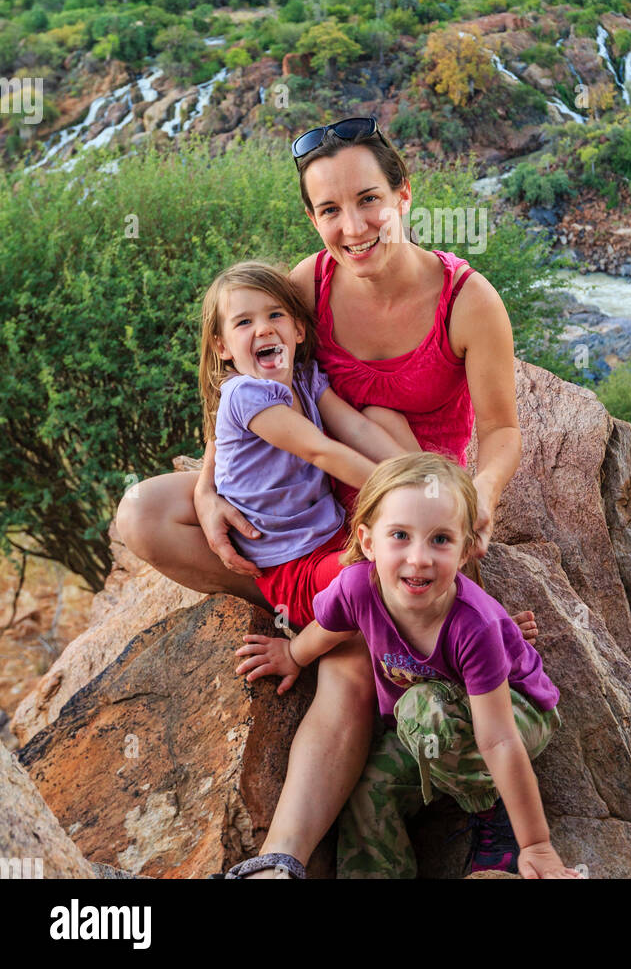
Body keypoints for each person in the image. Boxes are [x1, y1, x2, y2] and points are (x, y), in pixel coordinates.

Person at [116, 116, 529, 880]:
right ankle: (313, 608)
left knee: (340, 668)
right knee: (142, 512)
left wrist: (481, 494)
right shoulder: (305, 287)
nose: (354, 226)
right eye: (330, 210)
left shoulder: (468, 301)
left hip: (397, 501)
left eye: (369, 200)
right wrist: (209, 488)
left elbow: (502, 429)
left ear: (404, 195)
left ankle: (280, 858)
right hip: (302, 505)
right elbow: (247, 386)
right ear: (312, 219)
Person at [233, 453, 578, 880]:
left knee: (421, 708)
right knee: (368, 791)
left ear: (467, 548)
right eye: (400, 535)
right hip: (425, 727)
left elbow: (499, 741)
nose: (419, 559)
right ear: (368, 541)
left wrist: (537, 845)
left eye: (440, 540)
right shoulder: (358, 585)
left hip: (514, 715)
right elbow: (328, 628)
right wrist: (292, 655)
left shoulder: (475, 626)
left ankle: (493, 807)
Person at [199, 259, 420, 627]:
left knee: (421, 550)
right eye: (244, 322)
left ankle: (483, 617)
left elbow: (358, 430)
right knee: (381, 574)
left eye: (275, 315)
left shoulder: (305, 377)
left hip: (334, 536)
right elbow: (320, 449)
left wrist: (425, 476)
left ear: (299, 330)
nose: (264, 329)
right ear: (222, 346)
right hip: (292, 566)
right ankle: (452, 642)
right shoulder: (244, 394)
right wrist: (404, 491)